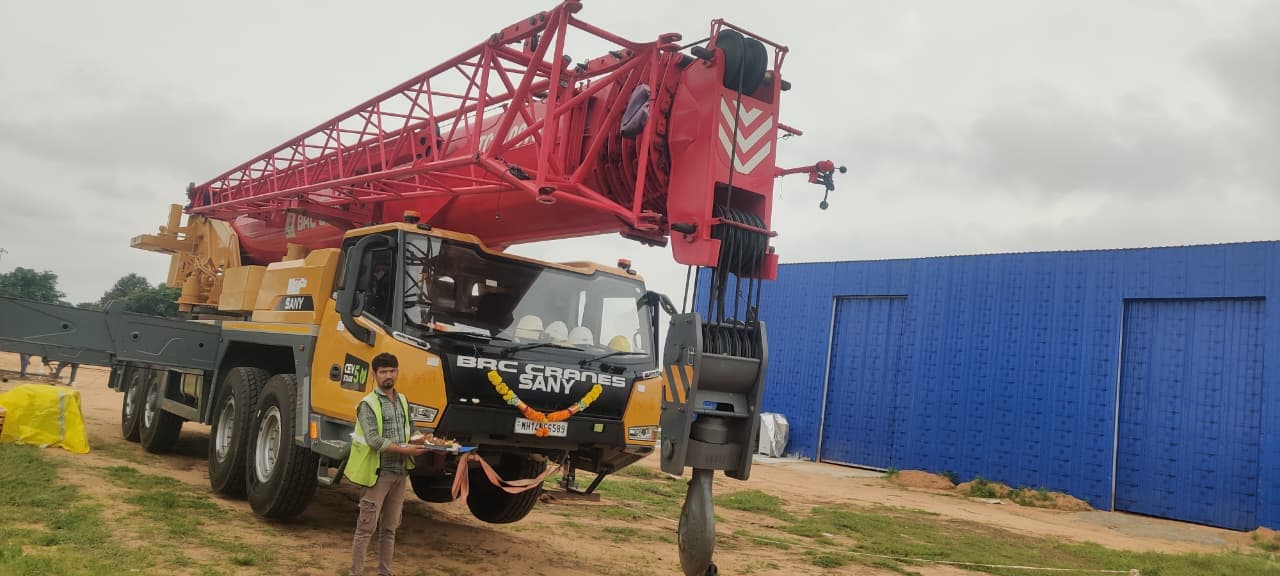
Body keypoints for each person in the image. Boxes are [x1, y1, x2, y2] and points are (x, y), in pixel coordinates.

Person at [346, 352, 428, 576]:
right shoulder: (368, 404)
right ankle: (356, 573)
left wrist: (427, 442)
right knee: (366, 529)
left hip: (400, 474)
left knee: (390, 529)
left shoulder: (402, 400)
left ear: (397, 372)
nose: (388, 375)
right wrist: (406, 449)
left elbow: (410, 432)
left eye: (392, 371)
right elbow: (374, 440)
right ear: (374, 375)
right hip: (378, 474)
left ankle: (385, 572)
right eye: (383, 372)